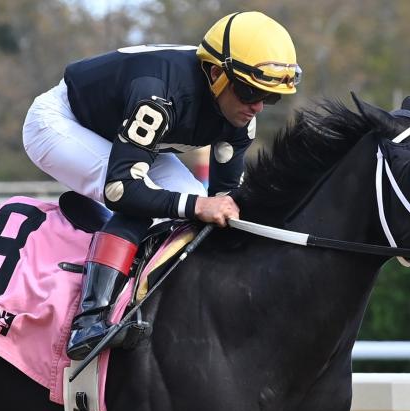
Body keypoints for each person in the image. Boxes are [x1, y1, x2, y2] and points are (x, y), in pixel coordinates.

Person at [22, 11, 301, 360]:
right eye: (249, 92)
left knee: (199, 210)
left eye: (268, 97)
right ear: (215, 74)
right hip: (60, 123)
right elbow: (120, 190)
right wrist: (196, 206)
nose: (256, 106)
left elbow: (224, 199)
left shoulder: (240, 116)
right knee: (151, 202)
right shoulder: (157, 97)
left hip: (125, 130)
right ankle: (89, 322)